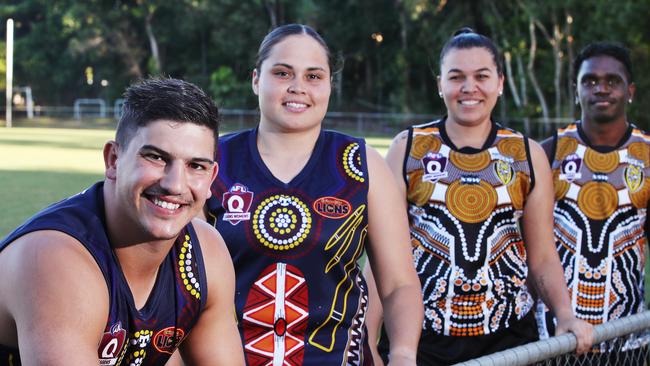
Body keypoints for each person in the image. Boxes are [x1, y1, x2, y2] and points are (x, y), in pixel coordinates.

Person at [364, 28, 593, 365]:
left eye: (481, 76)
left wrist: (565, 313)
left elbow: (543, 255)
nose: (469, 87)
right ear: (440, 83)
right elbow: (383, 258)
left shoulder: (526, 155)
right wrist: (368, 338)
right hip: (422, 341)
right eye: (456, 77)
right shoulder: (408, 148)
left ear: (500, 82)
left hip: (511, 340)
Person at [204, 24, 423, 365]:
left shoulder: (362, 164)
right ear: (256, 79)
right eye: (282, 72)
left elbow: (398, 285)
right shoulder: (214, 161)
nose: (297, 87)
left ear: (329, 86)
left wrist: (404, 355)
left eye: (314, 76)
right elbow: (179, 283)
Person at [0, 78, 245, 365]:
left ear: (212, 178)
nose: (175, 184)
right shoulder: (55, 259)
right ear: (114, 159)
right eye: (156, 157)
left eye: (196, 166)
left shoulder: (205, 253)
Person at [535, 42, 649, 364]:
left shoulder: (647, 156)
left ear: (630, 91)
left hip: (626, 338)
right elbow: (527, 247)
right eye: (590, 81)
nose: (601, 88)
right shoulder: (548, 154)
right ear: (576, 90)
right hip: (552, 340)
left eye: (612, 81)